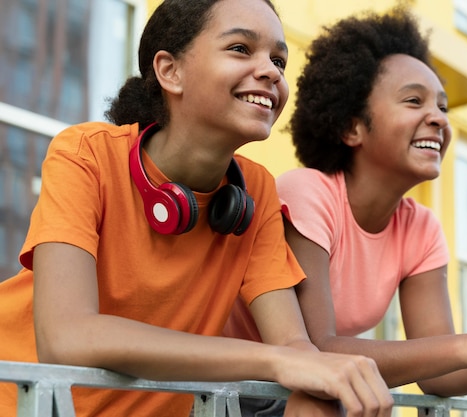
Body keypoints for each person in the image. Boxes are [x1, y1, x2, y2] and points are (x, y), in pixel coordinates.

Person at [0, 1, 395, 416]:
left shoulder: (256, 189)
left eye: (278, 59)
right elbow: (66, 337)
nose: (271, 71)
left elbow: (293, 345)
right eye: (241, 48)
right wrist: (278, 362)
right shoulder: (85, 154)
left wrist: (313, 372)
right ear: (170, 71)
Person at [224, 6, 467, 413]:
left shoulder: (421, 228)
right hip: (228, 396)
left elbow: (440, 374)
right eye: (414, 101)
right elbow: (318, 350)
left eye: (443, 107)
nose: (437, 118)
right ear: (352, 128)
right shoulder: (308, 192)